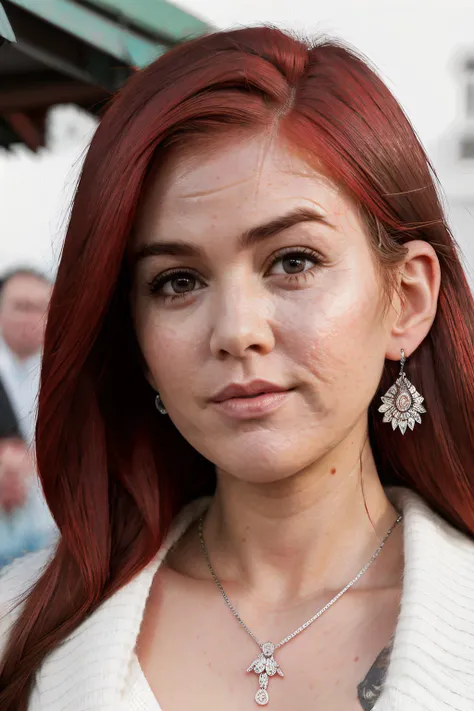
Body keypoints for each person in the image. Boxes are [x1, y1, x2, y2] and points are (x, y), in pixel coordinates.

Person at [0, 26, 473, 711]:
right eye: (178, 281)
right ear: (134, 337)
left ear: (407, 298)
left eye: (293, 262)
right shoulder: (21, 632)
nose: (237, 332)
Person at [0, 269, 57, 566]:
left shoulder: (63, 374)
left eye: (42, 308)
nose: (32, 318)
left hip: (47, 534)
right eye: (22, 306)